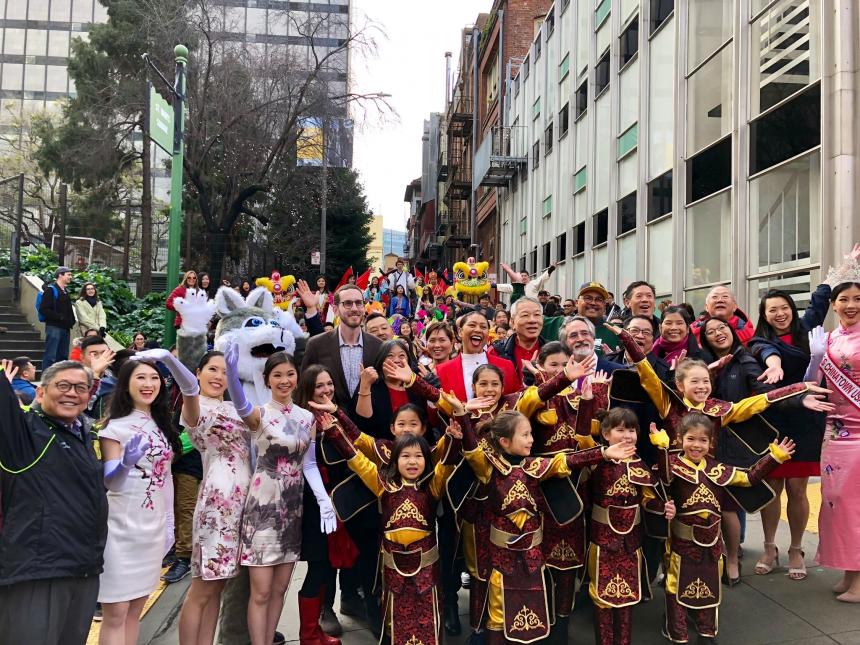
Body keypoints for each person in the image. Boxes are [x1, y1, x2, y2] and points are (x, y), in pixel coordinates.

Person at [460, 409, 635, 645]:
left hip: (533, 556)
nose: (532, 439)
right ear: (504, 441)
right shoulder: (489, 468)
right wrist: (462, 415)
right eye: (525, 435)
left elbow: (565, 461)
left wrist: (603, 453)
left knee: (535, 611)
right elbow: (471, 450)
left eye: (531, 433)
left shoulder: (535, 467)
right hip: (502, 559)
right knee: (499, 612)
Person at [650, 413, 796, 644]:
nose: (696, 445)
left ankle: (707, 631)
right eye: (690, 439)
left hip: (712, 543)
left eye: (702, 440)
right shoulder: (672, 464)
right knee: (676, 585)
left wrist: (774, 458)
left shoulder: (718, 469)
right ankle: (676, 631)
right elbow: (662, 479)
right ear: (679, 439)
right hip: (682, 542)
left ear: (711, 443)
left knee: (710, 585)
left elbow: (749, 478)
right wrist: (661, 448)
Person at [224, 347, 336, 645]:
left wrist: (324, 500)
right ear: (267, 379)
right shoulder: (260, 414)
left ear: (297, 378)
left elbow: (309, 464)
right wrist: (231, 375)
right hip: (262, 509)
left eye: (289, 374)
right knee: (260, 591)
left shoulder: (307, 418)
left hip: (292, 509)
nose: (284, 380)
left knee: (280, 588)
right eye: (277, 375)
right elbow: (239, 403)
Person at [320, 417, 461, 645]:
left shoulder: (432, 488)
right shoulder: (383, 486)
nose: (412, 462)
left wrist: (454, 439)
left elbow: (446, 465)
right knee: (396, 620)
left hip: (427, 571)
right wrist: (335, 433)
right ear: (395, 460)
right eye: (405, 456)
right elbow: (358, 460)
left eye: (418, 457)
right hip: (393, 571)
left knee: (427, 618)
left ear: (427, 461)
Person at [0, 360, 107, 645]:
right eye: (62, 386)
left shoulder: (83, 433)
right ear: (39, 393)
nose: (72, 393)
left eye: (80, 388)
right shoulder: (25, 434)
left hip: (84, 568)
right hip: (38, 571)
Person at [749, 283, 832, 581]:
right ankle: (770, 547)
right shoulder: (758, 341)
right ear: (764, 314)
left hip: (806, 421)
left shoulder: (807, 329)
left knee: (797, 489)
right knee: (771, 490)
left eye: (784, 307)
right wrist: (774, 365)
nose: (780, 313)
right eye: (772, 310)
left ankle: (796, 548)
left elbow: (820, 301)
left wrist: (840, 273)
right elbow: (767, 351)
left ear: (791, 309)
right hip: (774, 421)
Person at [97, 358, 183, 645]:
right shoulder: (115, 427)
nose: (149, 385)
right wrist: (124, 464)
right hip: (121, 529)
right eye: (141, 378)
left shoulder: (162, 425)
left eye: (154, 378)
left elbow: (167, 478)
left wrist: (170, 523)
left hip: (153, 528)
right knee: (116, 612)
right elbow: (111, 480)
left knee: (136, 609)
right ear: (126, 384)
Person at [175, 350, 254, 645]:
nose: (218, 376)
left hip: (241, 503)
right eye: (212, 369)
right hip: (217, 505)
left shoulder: (235, 408)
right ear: (197, 372)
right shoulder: (195, 407)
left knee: (217, 588)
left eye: (224, 371)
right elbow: (190, 400)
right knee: (202, 589)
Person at [586, 407, 674, 645]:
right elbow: (582, 437)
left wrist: (663, 508)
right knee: (602, 596)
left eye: (632, 430)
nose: (627, 435)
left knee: (628, 595)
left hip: (631, 543)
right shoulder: (596, 460)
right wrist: (588, 402)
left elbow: (649, 498)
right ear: (606, 434)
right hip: (602, 542)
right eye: (620, 430)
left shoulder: (639, 464)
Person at [804, 260, 860, 601]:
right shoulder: (826, 338)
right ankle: (848, 570)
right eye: (845, 299)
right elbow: (812, 385)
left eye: (858, 299)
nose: (851, 305)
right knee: (835, 502)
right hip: (833, 433)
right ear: (834, 305)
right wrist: (814, 359)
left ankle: (859, 580)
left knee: (856, 505)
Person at [294, 366, 346, 645]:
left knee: (328, 564)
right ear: (307, 390)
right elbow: (309, 464)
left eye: (329, 383)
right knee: (318, 564)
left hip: (334, 500)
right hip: (312, 503)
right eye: (319, 386)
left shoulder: (335, 413)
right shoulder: (302, 419)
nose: (326, 389)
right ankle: (309, 634)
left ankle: (315, 630)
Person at [436, 311, 519, 401]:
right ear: (460, 332)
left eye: (483, 327)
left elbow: (517, 403)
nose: (478, 330)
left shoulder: (507, 366)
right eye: (472, 325)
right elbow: (436, 411)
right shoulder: (442, 371)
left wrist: (528, 382)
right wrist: (431, 396)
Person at [489, 296, 545, 389]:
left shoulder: (553, 351)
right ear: (512, 322)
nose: (532, 320)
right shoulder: (496, 352)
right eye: (525, 315)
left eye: (537, 315)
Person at [558, 316, 626, 374]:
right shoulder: (559, 374)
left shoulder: (618, 371)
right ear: (565, 342)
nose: (580, 339)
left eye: (585, 333)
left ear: (593, 338)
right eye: (573, 335)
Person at [690, 285, 755, 346]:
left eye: (725, 296)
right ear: (706, 307)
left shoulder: (751, 336)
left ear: (735, 306)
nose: (720, 300)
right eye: (715, 297)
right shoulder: (691, 335)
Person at [40, 266, 75, 371]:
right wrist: (60, 317)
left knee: (63, 356)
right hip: (54, 327)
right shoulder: (51, 290)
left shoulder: (65, 291)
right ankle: (46, 380)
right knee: (51, 355)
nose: (71, 277)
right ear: (60, 275)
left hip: (65, 328)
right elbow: (44, 309)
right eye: (68, 274)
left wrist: (71, 321)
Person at [576, 282, 619, 352]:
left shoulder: (616, 332)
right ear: (576, 303)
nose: (593, 303)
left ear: (604, 305)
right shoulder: (556, 325)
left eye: (599, 299)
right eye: (588, 298)